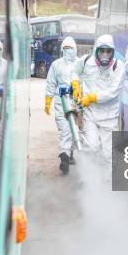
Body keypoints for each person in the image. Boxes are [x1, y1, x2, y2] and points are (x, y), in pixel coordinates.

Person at [71, 34, 125, 169]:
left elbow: (113, 91)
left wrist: (91, 98)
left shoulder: (118, 67)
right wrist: (75, 85)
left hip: (109, 117)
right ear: (96, 50)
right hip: (91, 114)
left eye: (108, 51)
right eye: (102, 50)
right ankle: (90, 178)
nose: (105, 54)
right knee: (91, 146)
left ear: (113, 51)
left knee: (109, 154)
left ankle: (107, 183)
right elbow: (75, 72)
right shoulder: (86, 61)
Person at [44, 37, 79, 175]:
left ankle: (67, 153)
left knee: (73, 128)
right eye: (66, 48)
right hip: (61, 100)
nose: (68, 51)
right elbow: (51, 83)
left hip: (76, 100)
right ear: (62, 49)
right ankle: (65, 154)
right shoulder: (56, 65)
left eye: (70, 48)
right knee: (64, 128)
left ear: (75, 49)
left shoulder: (80, 63)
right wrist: (48, 100)